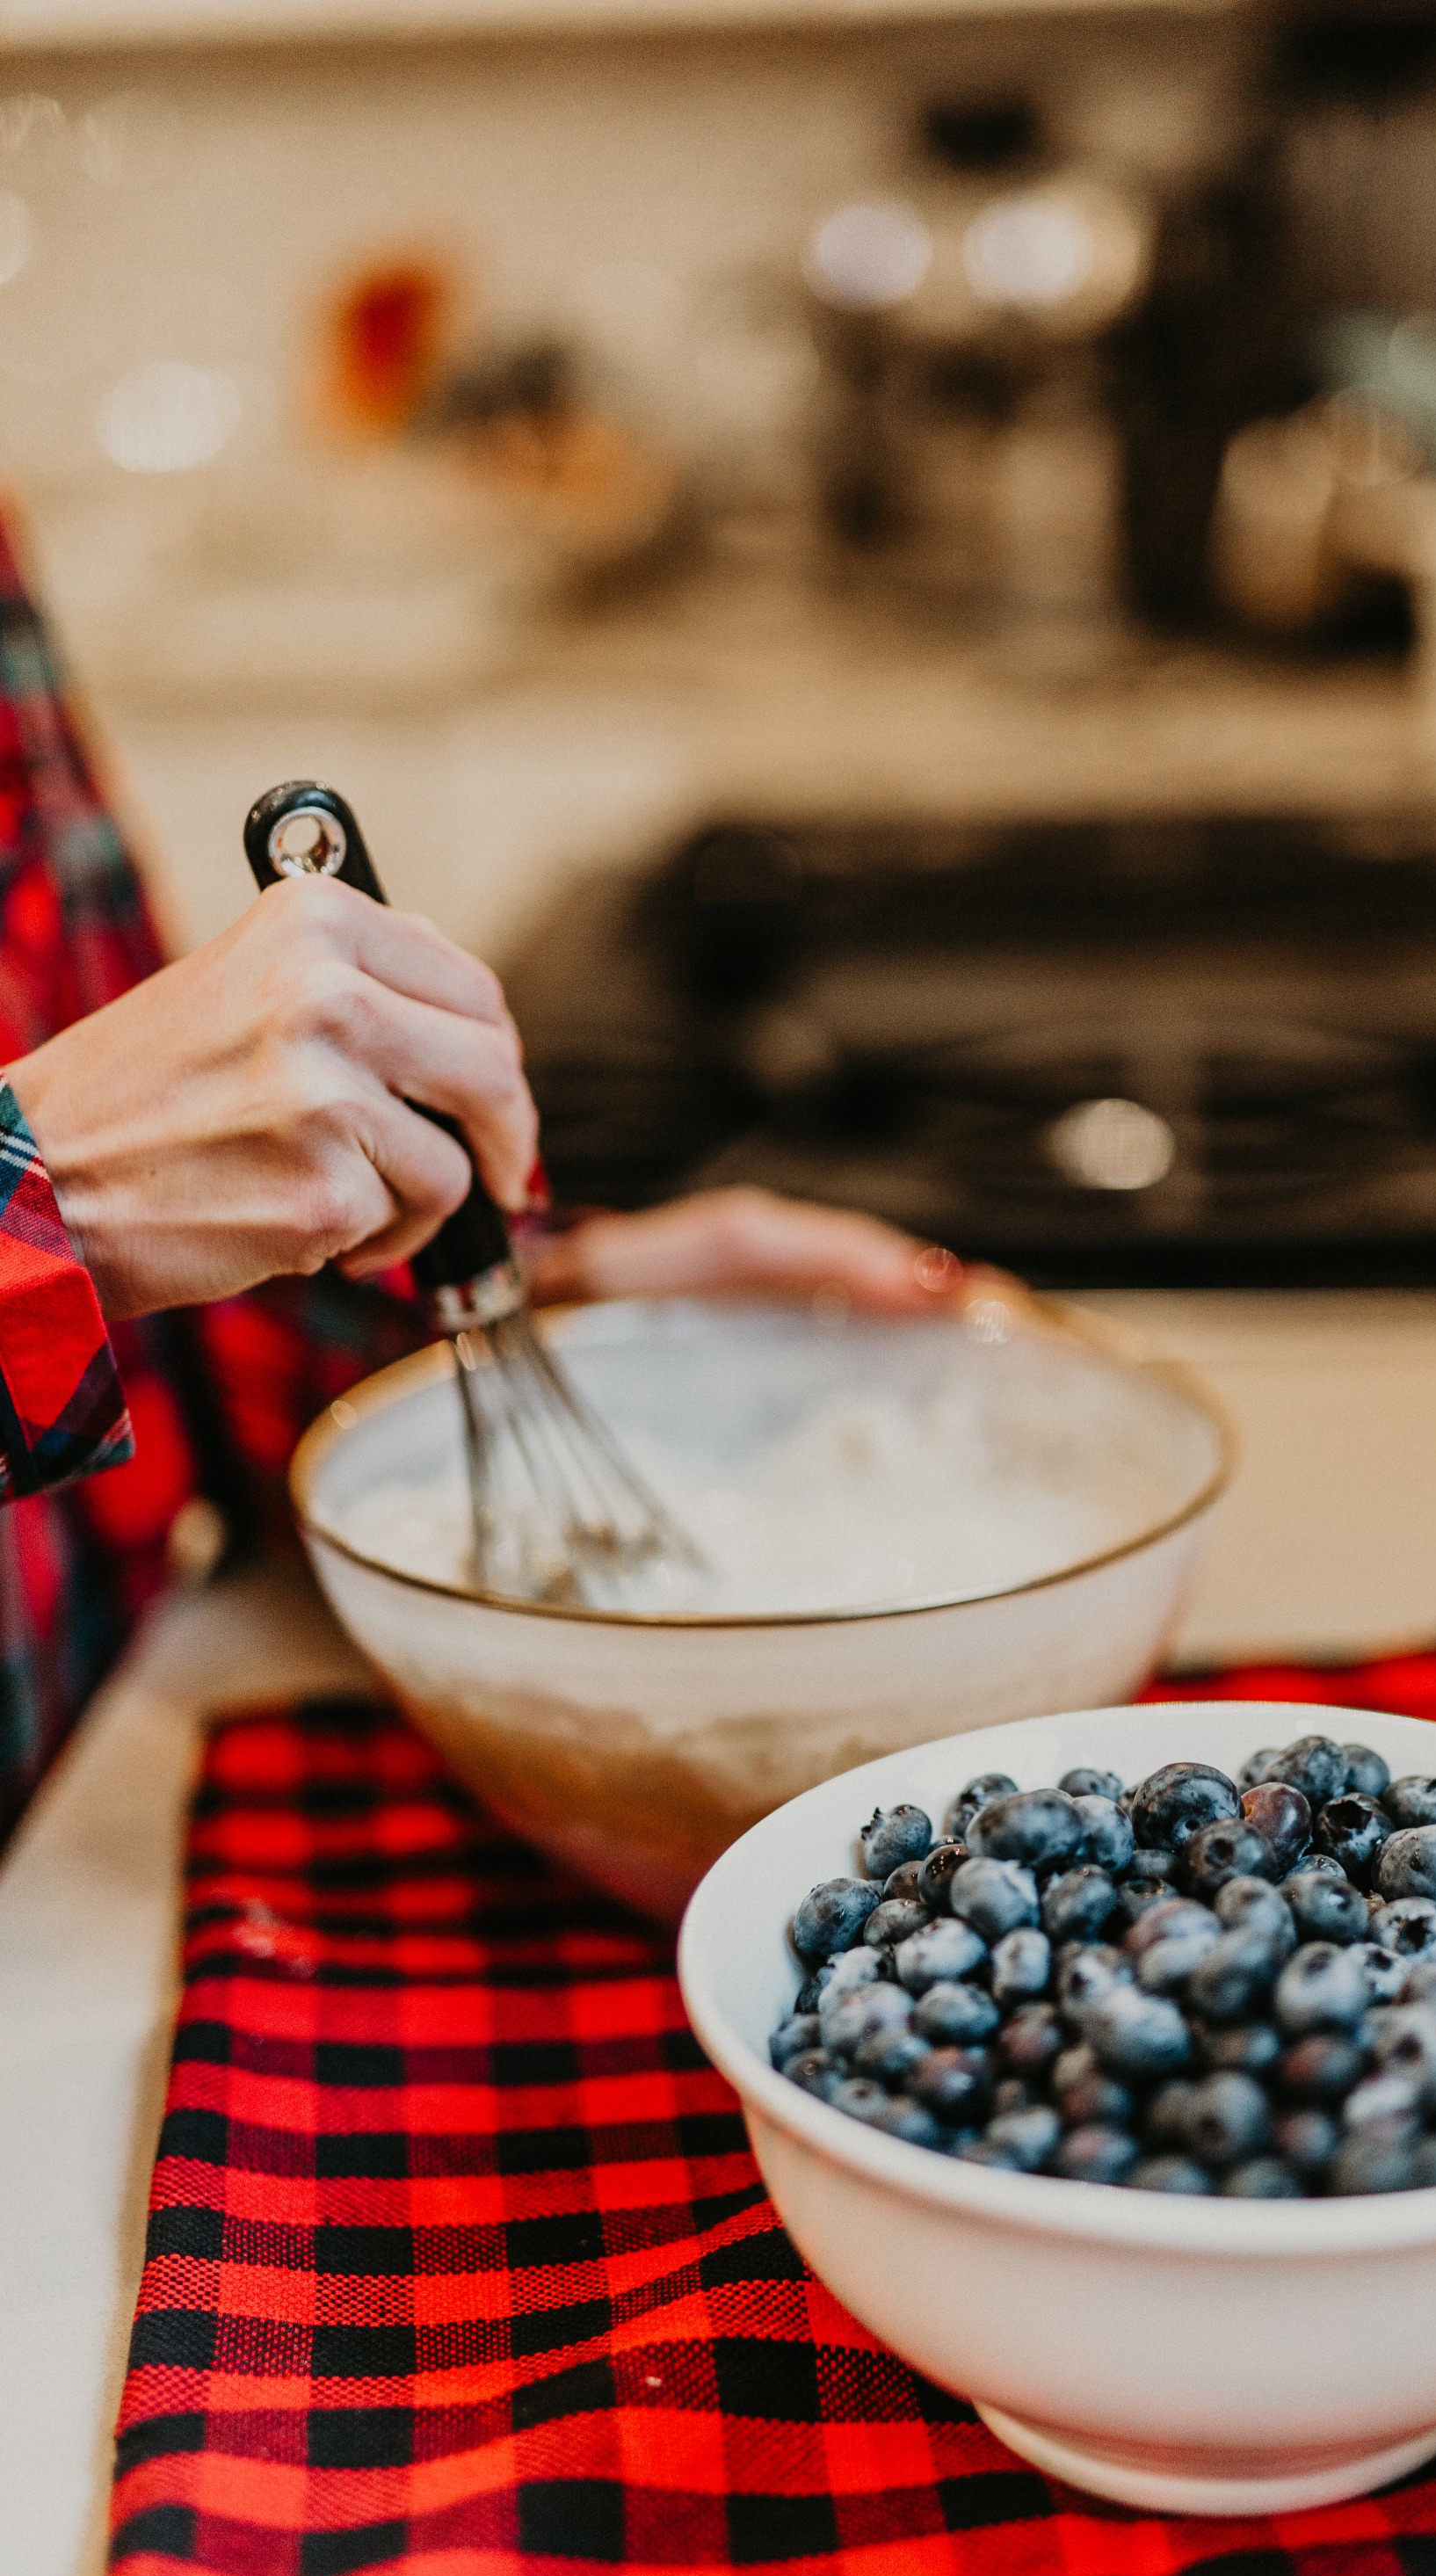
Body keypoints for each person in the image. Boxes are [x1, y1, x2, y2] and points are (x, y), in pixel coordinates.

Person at [0, 511, 960, 1837]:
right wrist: (39, 1220)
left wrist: (544, 1297)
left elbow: (149, 1292)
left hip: (80, 1820)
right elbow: (74, 1194)